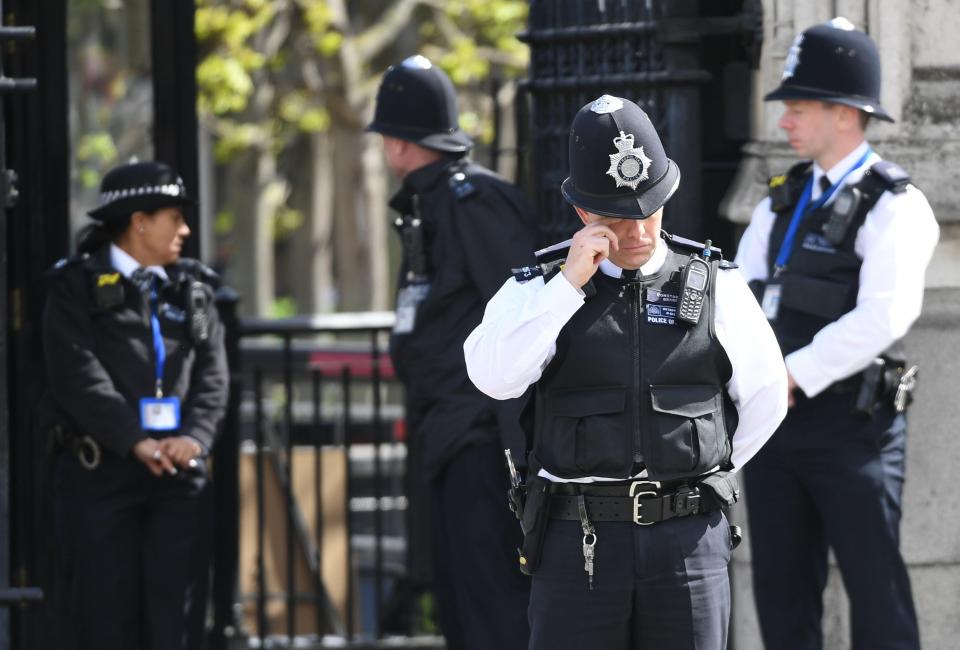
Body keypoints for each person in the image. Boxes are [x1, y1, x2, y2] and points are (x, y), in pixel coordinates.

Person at [464, 94, 788, 650]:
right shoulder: (537, 288)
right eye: (617, 216)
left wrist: (698, 473)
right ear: (583, 212)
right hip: (576, 542)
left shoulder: (717, 283)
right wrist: (565, 288)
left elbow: (766, 399)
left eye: (650, 210)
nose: (638, 230)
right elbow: (493, 377)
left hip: (689, 540)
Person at [734, 18, 940, 650]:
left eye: (797, 107)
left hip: (854, 431)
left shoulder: (895, 204)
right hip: (775, 424)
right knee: (780, 589)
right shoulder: (780, 197)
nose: (784, 122)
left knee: (875, 591)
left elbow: (885, 316)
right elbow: (739, 294)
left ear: (845, 113)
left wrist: (792, 374)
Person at [367, 55, 536, 649]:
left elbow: (526, 314)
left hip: (479, 435)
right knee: (457, 599)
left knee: (490, 599)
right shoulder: (430, 203)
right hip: (443, 430)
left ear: (397, 143)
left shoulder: (473, 201)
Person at [42, 161, 228, 650]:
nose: (185, 230)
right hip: (103, 475)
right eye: (175, 217)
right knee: (105, 620)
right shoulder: (75, 287)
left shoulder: (193, 290)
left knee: (177, 623)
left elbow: (213, 375)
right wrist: (134, 439)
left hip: (177, 478)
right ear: (138, 222)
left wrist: (196, 438)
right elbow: (77, 375)